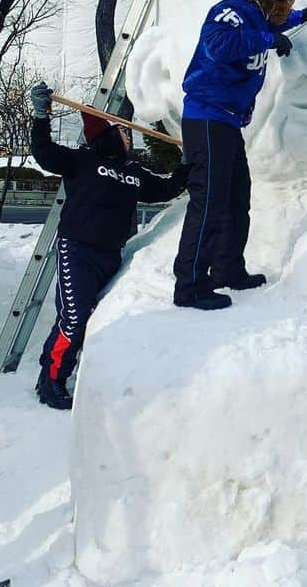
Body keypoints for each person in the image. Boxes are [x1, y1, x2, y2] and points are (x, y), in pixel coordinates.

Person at [171, 0, 307, 311]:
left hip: (227, 121)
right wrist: (268, 39)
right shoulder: (231, 12)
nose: (291, 4)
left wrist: (304, 16)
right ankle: (190, 286)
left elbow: (273, 24)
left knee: (236, 198)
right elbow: (218, 43)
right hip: (206, 117)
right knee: (208, 203)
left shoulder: (261, 14)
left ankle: (227, 269)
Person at [28, 83, 190, 408]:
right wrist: (40, 115)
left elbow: (167, 188)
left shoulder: (133, 173)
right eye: (125, 134)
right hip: (77, 250)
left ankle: (51, 367)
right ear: (110, 136)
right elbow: (43, 152)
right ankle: (52, 384)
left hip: (109, 256)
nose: (130, 139)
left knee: (74, 317)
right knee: (75, 318)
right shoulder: (81, 160)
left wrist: (189, 162)